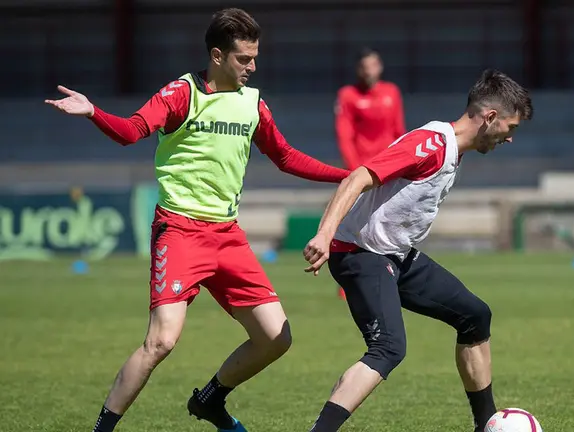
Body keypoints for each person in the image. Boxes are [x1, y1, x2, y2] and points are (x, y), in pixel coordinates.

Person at [45, 8, 350, 432]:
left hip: (227, 236)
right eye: (244, 58)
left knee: (276, 337)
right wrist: (93, 111)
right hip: (180, 231)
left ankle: (210, 401)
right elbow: (132, 130)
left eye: (255, 57)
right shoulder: (180, 94)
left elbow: (284, 156)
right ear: (218, 55)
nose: (253, 66)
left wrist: (348, 176)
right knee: (161, 342)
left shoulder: (252, 103)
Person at [303, 69, 534, 432]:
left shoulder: (454, 149)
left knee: (474, 315)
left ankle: (485, 425)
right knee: (388, 348)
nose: (510, 138)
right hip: (359, 252)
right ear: (490, 117)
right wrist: (324, 234)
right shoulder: (432, 143)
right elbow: (358, 177)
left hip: (395, 253)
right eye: (511, 128)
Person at [333, 47, 406, 300]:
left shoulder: (391, 92)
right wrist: (355, 171)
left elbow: (399, 131)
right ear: (358, 69)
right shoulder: (348, 95)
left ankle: (390, 275)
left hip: (389, 169)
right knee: (354, 225)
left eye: (373, 65)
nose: (369, 71)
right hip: (362, 171)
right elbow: (345, 134)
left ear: (380, 67)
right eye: (365, 66)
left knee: (388, 223)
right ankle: (347, 280)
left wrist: (403, 165)